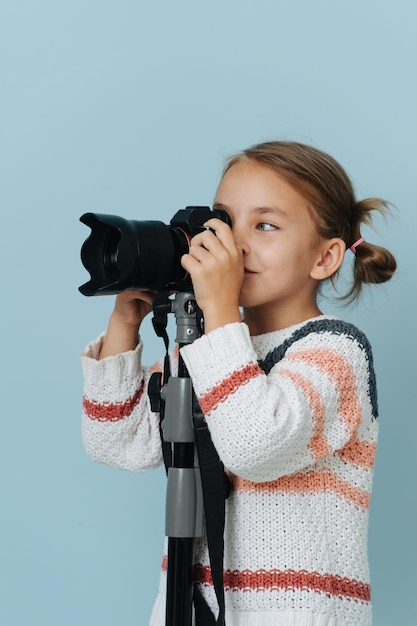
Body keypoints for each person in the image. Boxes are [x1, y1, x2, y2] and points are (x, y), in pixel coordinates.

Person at [81, 141, 397, 625]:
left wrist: (221, 316)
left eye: (265, 225)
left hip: (296, 611)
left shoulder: (335, 351)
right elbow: (117, 442)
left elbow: (256, 446)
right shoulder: (212, 348)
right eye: (225, 221)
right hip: (191, 606)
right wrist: (125, 326)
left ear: (325, 257)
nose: (236, 245)